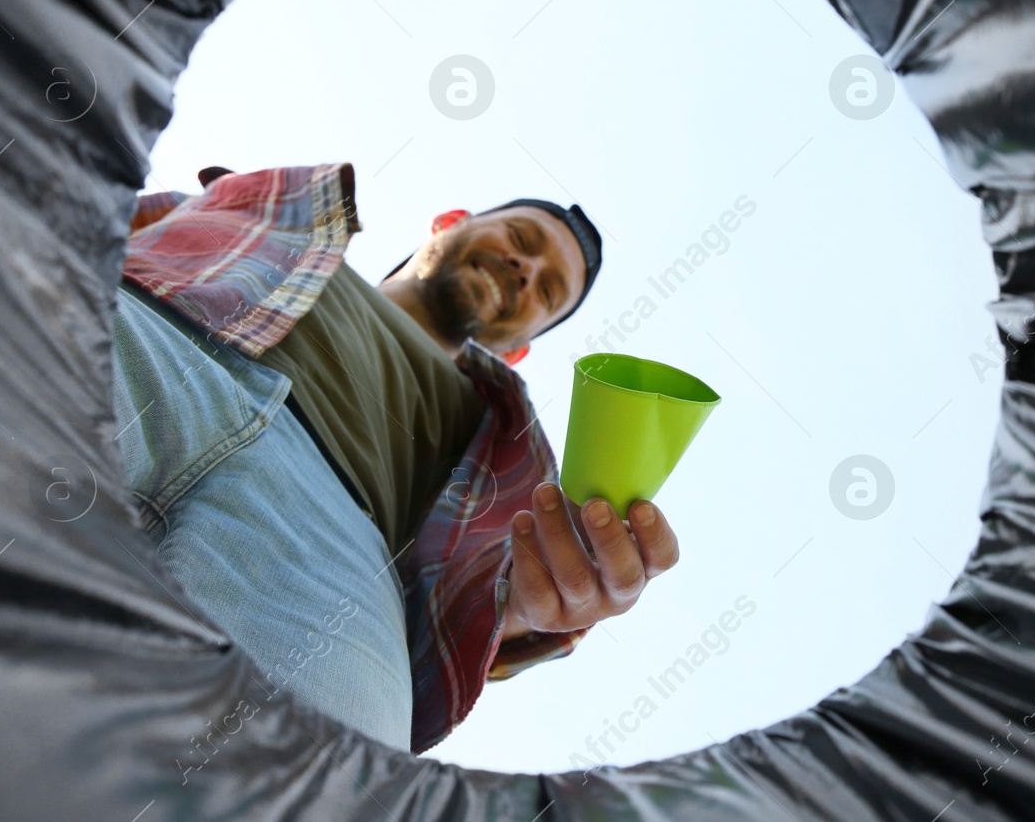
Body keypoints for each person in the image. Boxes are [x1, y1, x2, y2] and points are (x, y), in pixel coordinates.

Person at [111, 163, 679, 758]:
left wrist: (543, 602)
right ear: (449, 223)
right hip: (160, 342)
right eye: (521, 240)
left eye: (547, 291)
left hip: (336, 552)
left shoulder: (506, 443)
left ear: (517, 348)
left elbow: (489, 596)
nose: (526, 269)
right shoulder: (275, 215)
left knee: (296, 777)